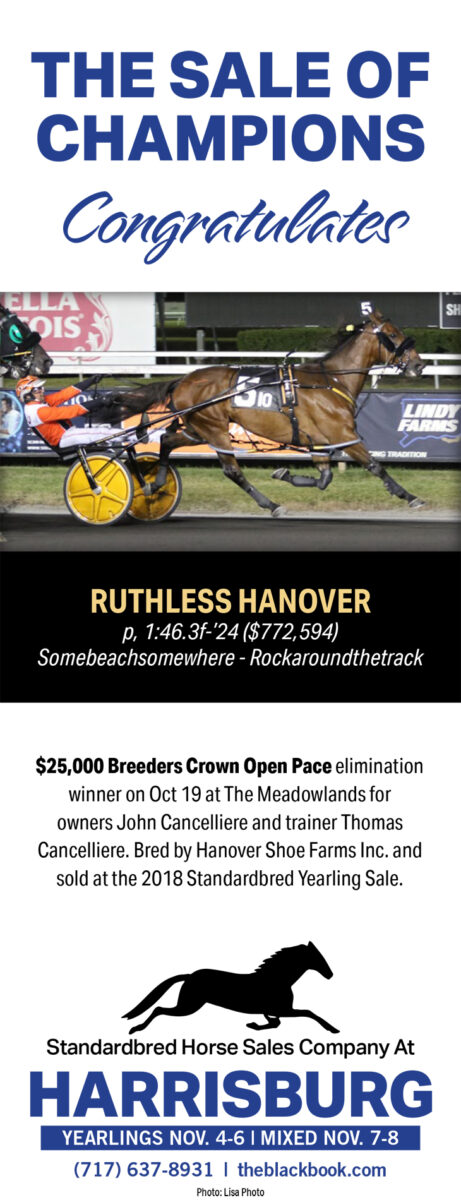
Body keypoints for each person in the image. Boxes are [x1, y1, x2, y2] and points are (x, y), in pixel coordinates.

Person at [15, 375, 127, 450]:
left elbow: (64, 394)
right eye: (37, 389)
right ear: (27, 395)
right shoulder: (38, 411)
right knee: (102, 432)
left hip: (68, 434)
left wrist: (91, 380)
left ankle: (130, 436)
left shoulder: (37, 404)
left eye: (41, 388)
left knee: (102, 434)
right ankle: (133, 436)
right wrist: (100, 401)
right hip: (64, 438)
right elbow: (71, 411)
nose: (42, 391)